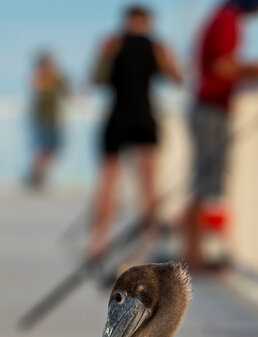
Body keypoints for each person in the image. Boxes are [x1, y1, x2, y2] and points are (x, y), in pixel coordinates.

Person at [185, 0, 258, 274]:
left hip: (208, 108)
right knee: (209, 184)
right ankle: (197, 256)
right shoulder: (227, 20)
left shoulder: (220, 16)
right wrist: (254, 71)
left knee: (205, 183)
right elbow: (222, 66)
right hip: (212, 109)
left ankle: (196, 254)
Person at [88, 5, 183, 259]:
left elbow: (96, 80)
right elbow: (176, 78)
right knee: (148, 183)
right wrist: (169, 59)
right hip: (143, 115)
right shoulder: (157, 46)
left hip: (118, 115)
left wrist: (105, 56)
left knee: (109, 180)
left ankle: (99, 241)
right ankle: (148, 241)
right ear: (148, 22)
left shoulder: (113, 43)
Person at [27, 52, 69, 190]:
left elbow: (67, 92)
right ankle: (37, 177)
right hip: (44, 119)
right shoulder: (40, 77)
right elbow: (40, 88)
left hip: (53, 119)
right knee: (45, 149)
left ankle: (39, 176)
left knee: (50, 149)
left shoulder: (56, 78)